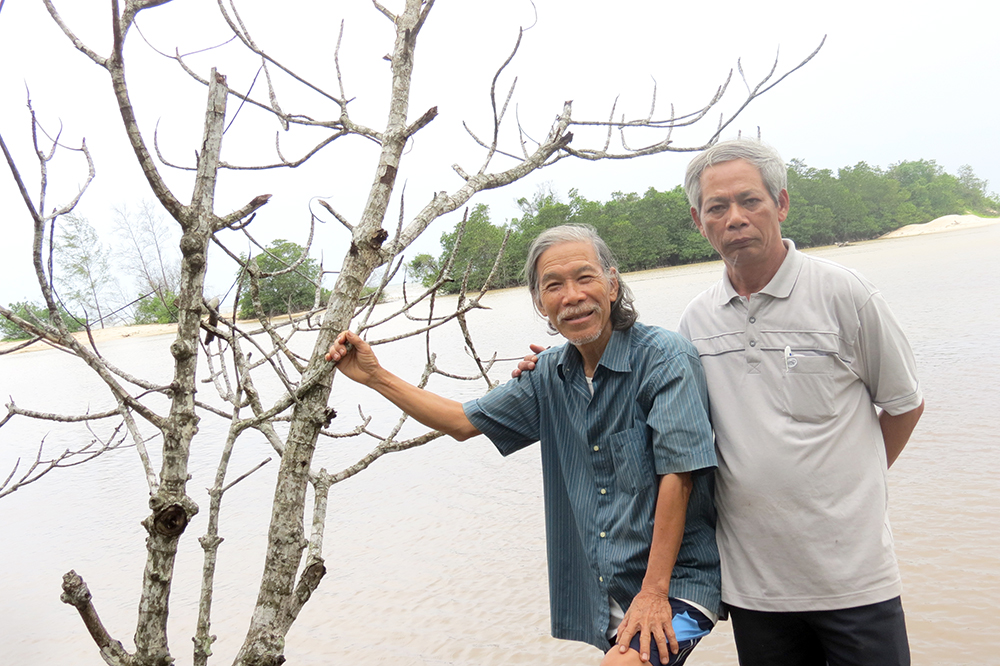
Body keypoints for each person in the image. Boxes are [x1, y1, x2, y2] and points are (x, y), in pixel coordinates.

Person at [326, 225, 721, 665]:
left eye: (585, 277)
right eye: (554, 285)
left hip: (674, 588)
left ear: (612, 284)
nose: (572, 295)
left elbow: (679, 478)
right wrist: (375, 376)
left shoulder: (663, 357)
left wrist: (653, 594)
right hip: (608, 592)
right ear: (539, 303)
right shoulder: (547, 375)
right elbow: (460, 422)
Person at [679, 139, 925, 665]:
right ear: (698, 221)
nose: (735, 218)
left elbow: (904, 404)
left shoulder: (845, 295)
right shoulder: (696, 322)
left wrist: (855, 488)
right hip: (755, 587)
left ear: (782, 204)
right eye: (717, 208)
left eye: (751, 201)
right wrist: (555, 365)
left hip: (855, 580)